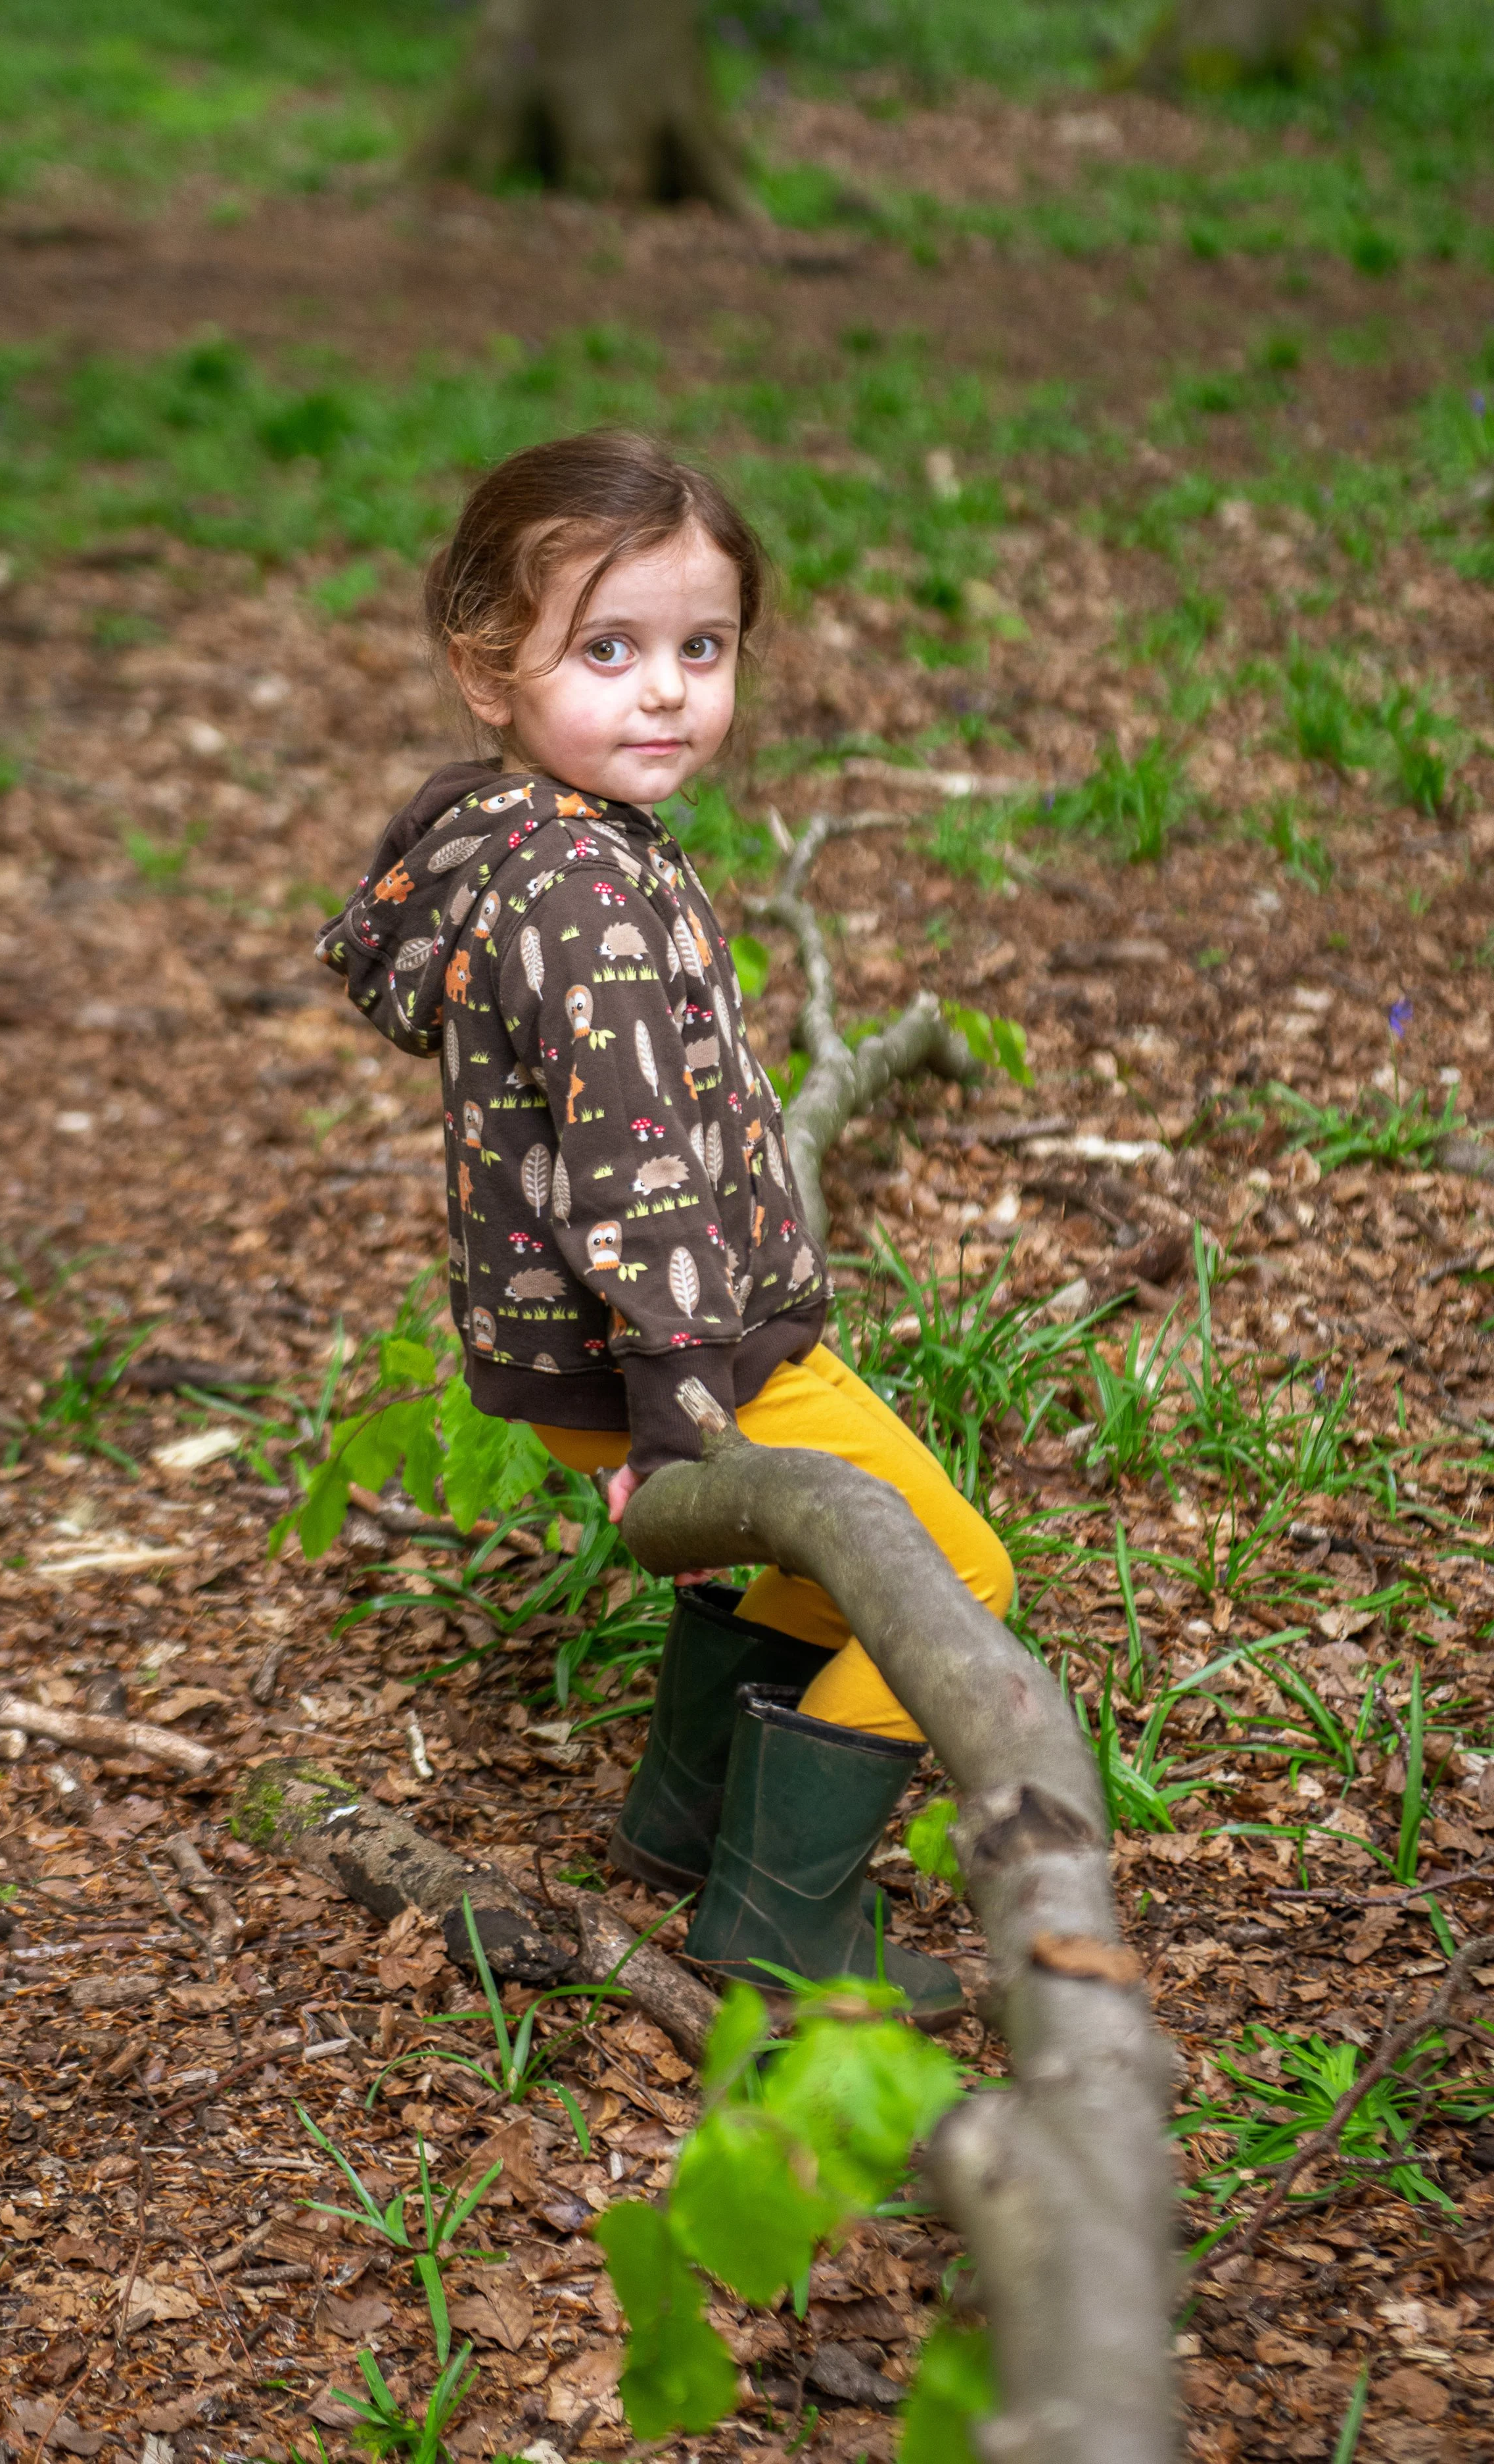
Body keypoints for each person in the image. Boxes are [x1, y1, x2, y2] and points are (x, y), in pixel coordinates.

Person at [318, 430, 1013, 2017]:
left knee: (785, 1571)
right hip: (687, 1358)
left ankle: (687, 1821)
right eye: (607, 650)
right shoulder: (583, 895)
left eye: (700, 649)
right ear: (488, 671)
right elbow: (635, 1177)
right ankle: (779, 1922)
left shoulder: (518, 834)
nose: (664, 693)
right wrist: (679, 1413)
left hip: (607, 1354)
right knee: (953, 1580)